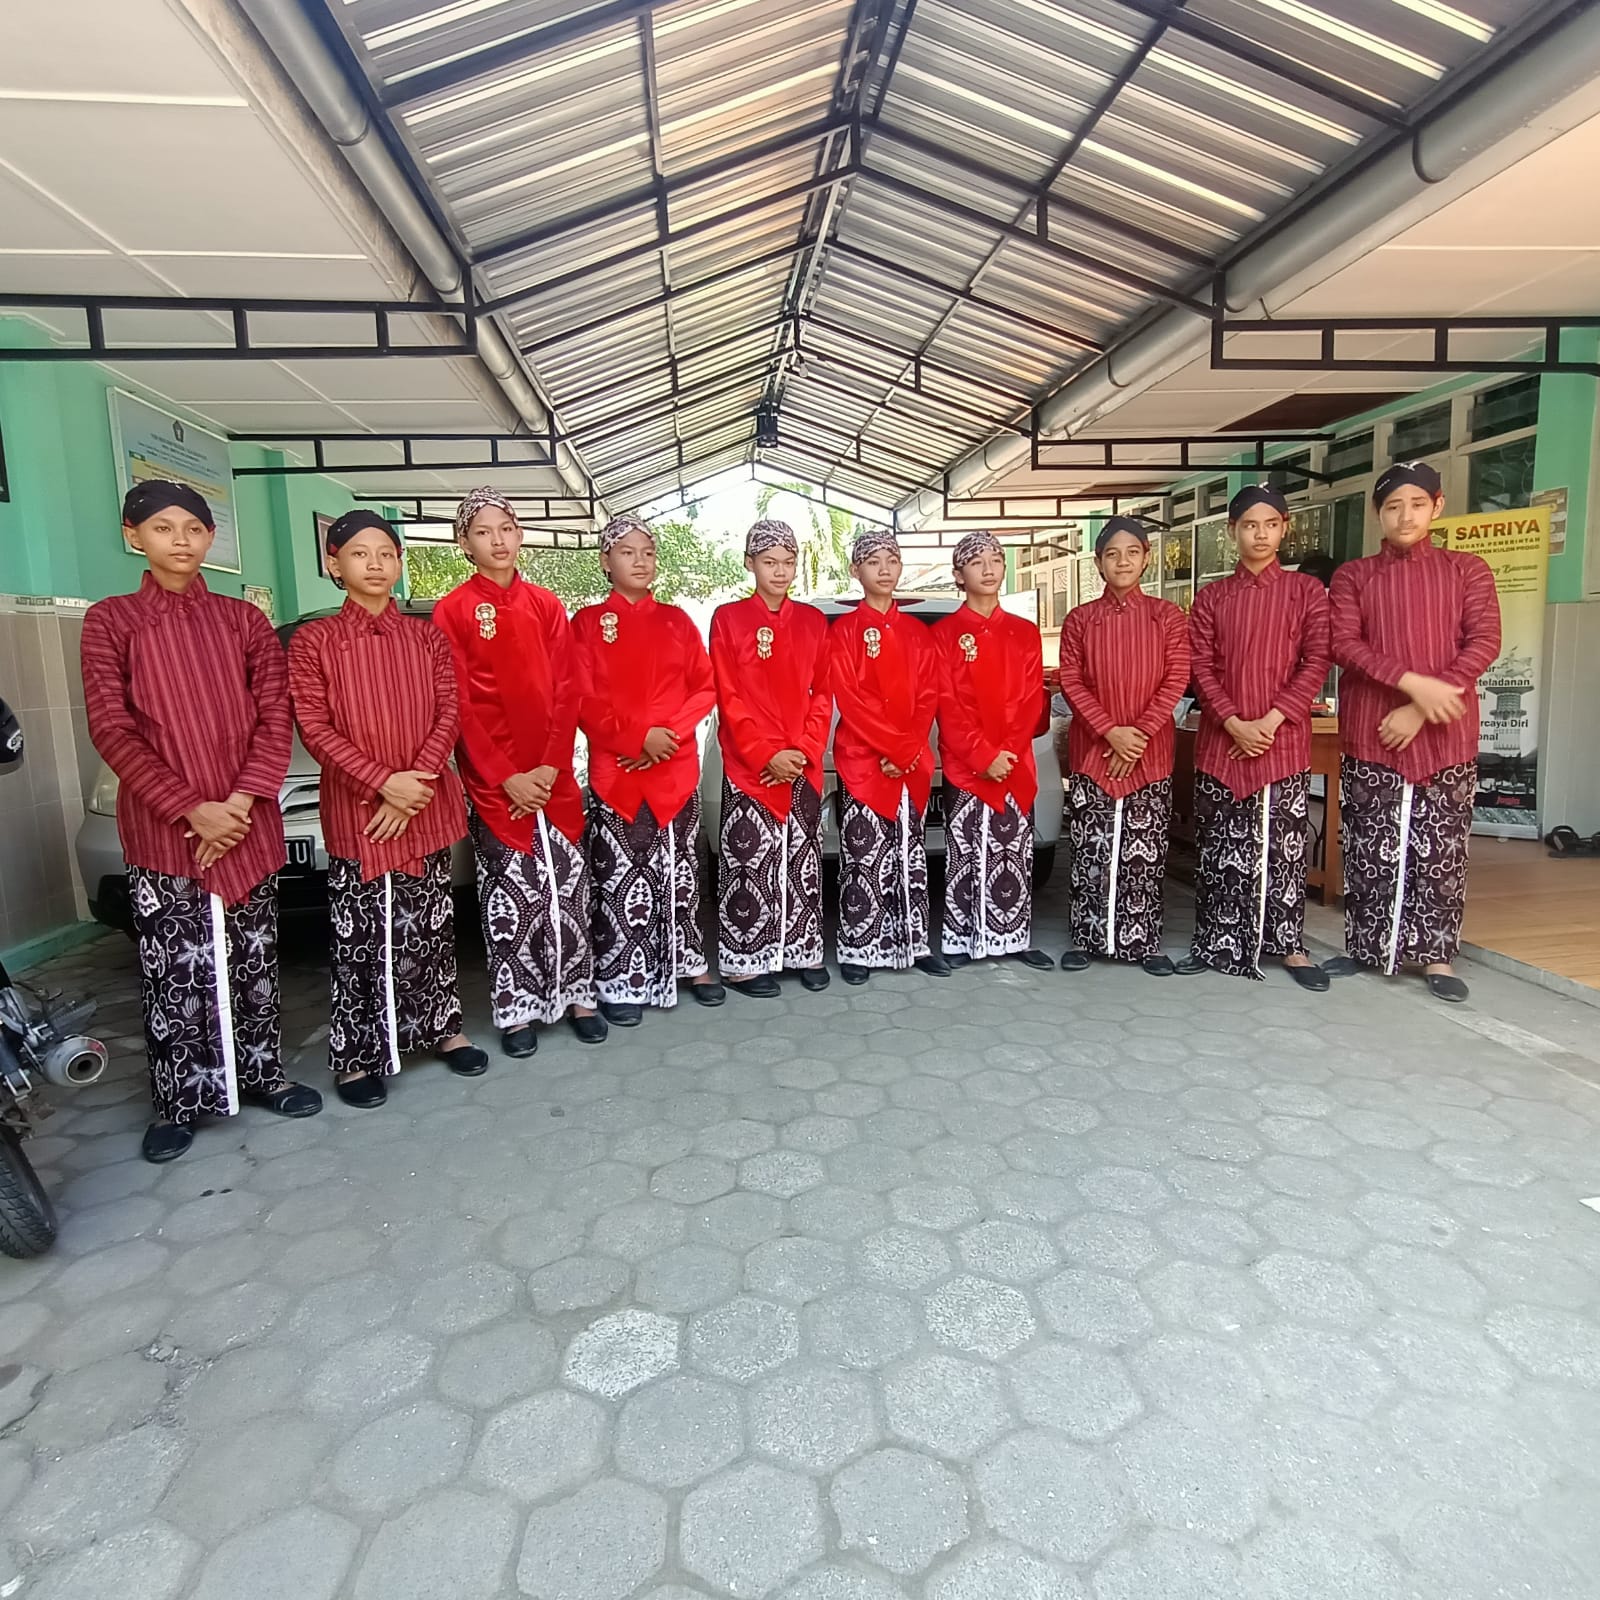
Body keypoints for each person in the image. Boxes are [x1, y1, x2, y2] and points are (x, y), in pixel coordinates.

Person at [81, 481, 323, 1162]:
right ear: (133, 536)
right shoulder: (111, 621)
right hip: (166, 829)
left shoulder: (243, 622)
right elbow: (112, 726)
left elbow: (275, 716)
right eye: (163, 528)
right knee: (173, 968)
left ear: (211, 538)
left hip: (247, 823)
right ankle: (177, 1101)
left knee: (253, 959)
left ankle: (264, 1074)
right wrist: (191, 808)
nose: (181, 540)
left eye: (193, 528)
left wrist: (240, 803)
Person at [286, 511, 486, 1108]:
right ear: (334, 563)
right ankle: (357, 1058)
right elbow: (314, 726)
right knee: (361, 936)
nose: (374, 564)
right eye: (359, 553)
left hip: (425, 802)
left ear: (399, 563)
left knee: (431, 927)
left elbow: (448, 710)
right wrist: (383, 784)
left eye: (385, 553)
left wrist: (414, 782)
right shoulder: (315, 642)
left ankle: (444, 1030)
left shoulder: (427, 637)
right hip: (360, 811)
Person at [433, 488, 604, 1054]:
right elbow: (458, 704)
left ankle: (580, 997)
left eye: (506, 528)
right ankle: (518, 1011)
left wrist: (551, 766)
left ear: (520, 534)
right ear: (465, 543)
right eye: (483, 532)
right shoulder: (453, 610)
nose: (498, 540)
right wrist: (505, 775)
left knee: (569, 890)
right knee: (512, 896)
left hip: (552, 776)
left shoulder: (546, 604)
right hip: (496, 782)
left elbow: (567, 689)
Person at [1326, 461, 1500, 1002]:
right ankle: (1368, 947)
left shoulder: (1466, 570)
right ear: (1378, 513)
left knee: (1440, 847)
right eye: (1393, 506)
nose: (1405, 516)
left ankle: (1436, 957)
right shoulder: (1354, 576)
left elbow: (1485, 641)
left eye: (1417, 504)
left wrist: (1422, 706)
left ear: (1437, 506)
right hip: (1373, 729)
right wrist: (1410, 684)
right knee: (1371, 842)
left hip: (1444, 732)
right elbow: (1344, 644)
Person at [1176, 485, 1332, 988]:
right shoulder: (1212, 597)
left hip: (1281, 742)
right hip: (1222, 743)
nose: (1260, 534)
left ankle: (1288, 946)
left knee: (1282, 849)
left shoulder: (1306, 592)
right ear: (1232, 531)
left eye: (1270, 524)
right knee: (1220, 847)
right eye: (1249, 525)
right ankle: (1215, 941)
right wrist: (1233, 721)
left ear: (1285, 528)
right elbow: (1199, 666)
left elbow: (1317, 660)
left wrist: (1272, 719)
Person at [572, 515, 724, 1023]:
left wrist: (668, 735)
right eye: (627, 552)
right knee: (619, 877)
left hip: (672, 766)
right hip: (618, 768)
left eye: (649, 552)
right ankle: (622, 980)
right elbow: (582, 697)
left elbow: (704, 687)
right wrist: (635, 739)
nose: (640, 561)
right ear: (605, 560)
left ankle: (690, 963)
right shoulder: (587, 623)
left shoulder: (677, 621)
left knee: (681, 872)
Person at [1057, 516, 1191, 975]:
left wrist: (1137, 735)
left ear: (1147, 558)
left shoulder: (1167, 616)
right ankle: (1087, 938)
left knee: (1144, 851)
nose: (1122, 562)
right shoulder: (1080, 620)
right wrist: (1110, 732)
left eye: (1132, 552)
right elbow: (1071, 680)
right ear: (1098, 563)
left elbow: (1176, 677)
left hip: (1149, 753)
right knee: (1091, 848)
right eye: (1112, 554)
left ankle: (1143, 941)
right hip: (1094, 751)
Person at [709, 519, 833, 997]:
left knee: (801, 859)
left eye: (788, 562)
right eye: (769, 562)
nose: (779, 571)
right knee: (749, 862)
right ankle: (744, 962)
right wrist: (765, 753)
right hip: (751, 765)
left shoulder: (812, 622)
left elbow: (823, 692)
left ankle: (802, 950)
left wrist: (804, 749)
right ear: (749, 563)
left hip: (800, 760)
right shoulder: (728, 619)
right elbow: (729, 695)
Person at [932, 530, 1055, 970]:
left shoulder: (1023, 632)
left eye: (996, 560)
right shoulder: (944, 634)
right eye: (976, 561)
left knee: (1012, 852)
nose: (988, 569)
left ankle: (1012, 937)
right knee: (965, 852)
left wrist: (1007, 752)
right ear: (958, 574)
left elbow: (1031, 698)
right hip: (967, 764)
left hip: (1013, 763)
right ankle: (961, 939)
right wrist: (983, 755)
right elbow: (946, 703)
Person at [830, 529, 949, 985]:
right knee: (863, 853)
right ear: (855, 570)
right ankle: (859, 947)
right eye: (873, 561)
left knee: (909, 852)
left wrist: (908, 748)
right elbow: (850, 699)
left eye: (892, 560)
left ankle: (915, 943)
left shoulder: (918, 634)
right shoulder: (843, 632)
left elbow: (929, 695)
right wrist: (891, 748)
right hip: (864, 759)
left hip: (909, 761)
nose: (884, 569)